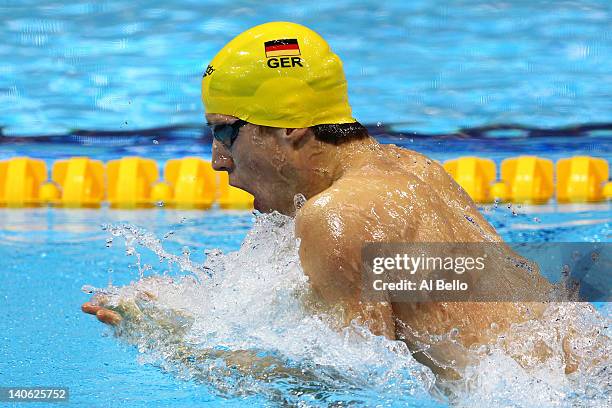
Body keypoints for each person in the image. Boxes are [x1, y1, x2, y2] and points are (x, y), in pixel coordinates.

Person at [83, 22, 578, 379]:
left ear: (290, 126)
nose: (217, 160)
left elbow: (352, 384)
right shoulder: (409, 168)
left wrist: (173, 339)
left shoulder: (335, 217)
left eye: (224, 133)